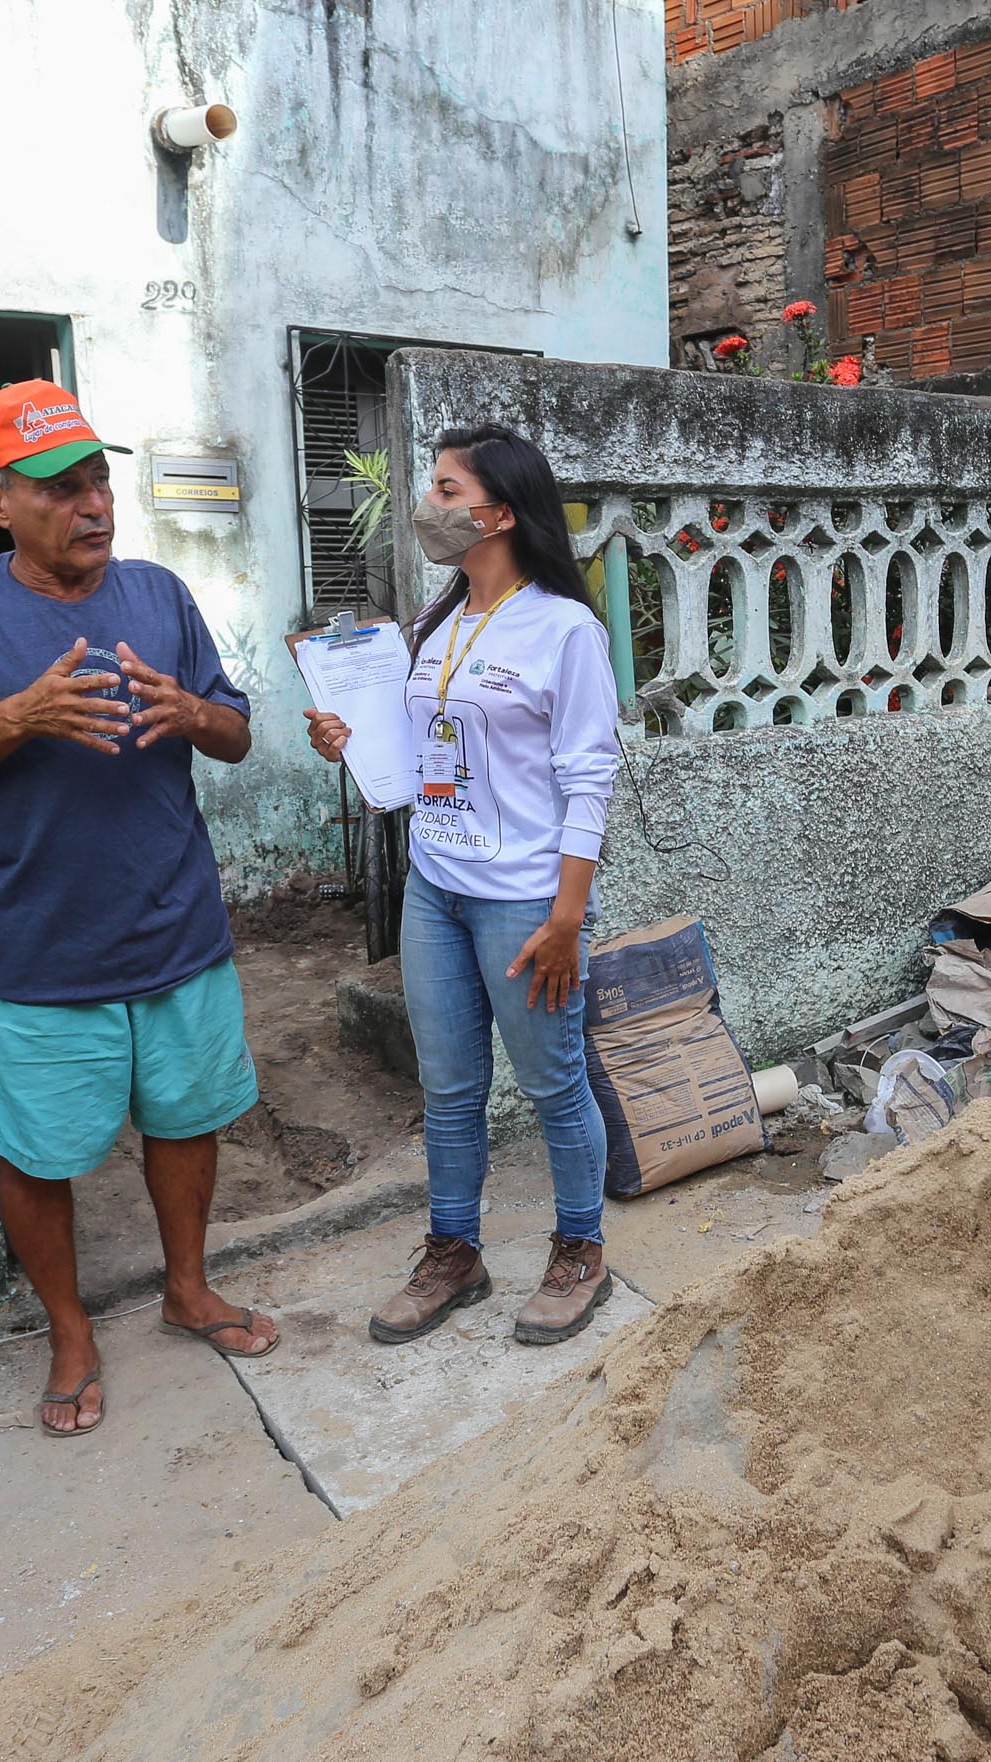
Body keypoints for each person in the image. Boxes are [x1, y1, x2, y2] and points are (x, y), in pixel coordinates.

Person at [0, 381, 279, 1439]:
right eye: (59, 487)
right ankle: (69, 1327)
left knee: (187, 1121)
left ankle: (187, 1290)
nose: (92, 504)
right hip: (40, 946)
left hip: (177, 926)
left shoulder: (157, 594)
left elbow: (235, 732)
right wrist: (18, 716)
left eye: (99, 478)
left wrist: (193, 711)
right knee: (39, 1153)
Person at [302, 424, 622, 1347]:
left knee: (554, 1086)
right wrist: (347, 746)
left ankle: (579, 1252)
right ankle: (454, 1252)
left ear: (501, 513)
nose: (427, 507)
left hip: (525, 898)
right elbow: (419, 756)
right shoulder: (437, 623)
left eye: (446, 491)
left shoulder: (565, 628)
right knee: (448, 1091)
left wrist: (567, 917)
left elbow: (588, 777)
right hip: (434, 885)